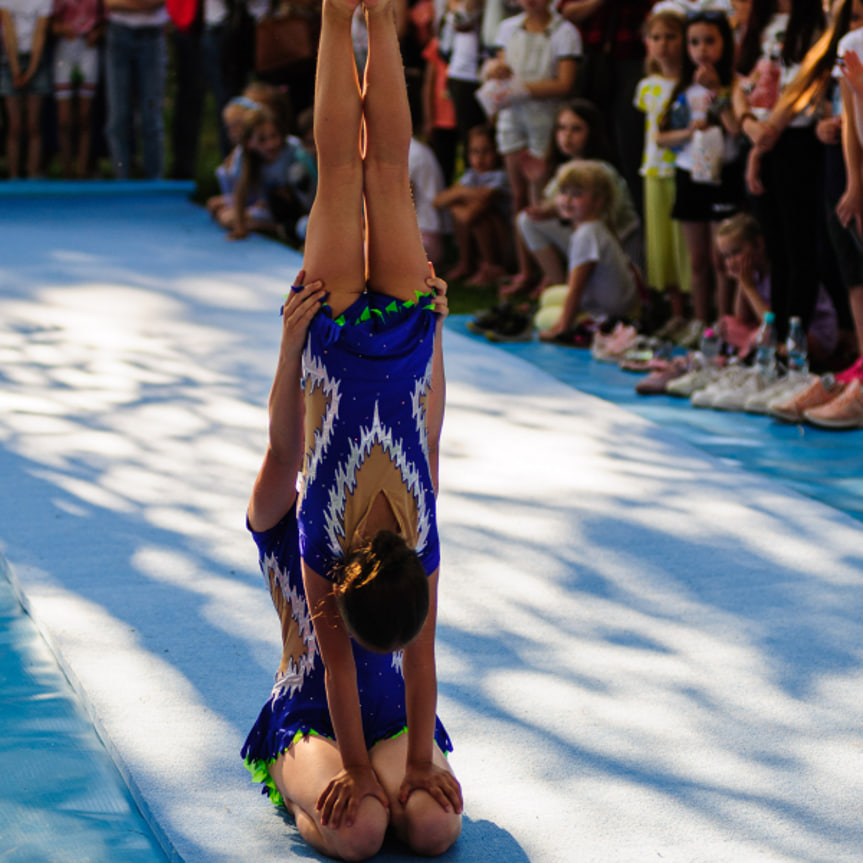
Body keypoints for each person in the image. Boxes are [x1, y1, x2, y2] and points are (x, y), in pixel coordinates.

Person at [240, 0, 463, 858]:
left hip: (333, 345)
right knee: (379, 176)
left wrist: (408, 767)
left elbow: (418, 658)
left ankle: (339, 20)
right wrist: (436, 335)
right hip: (404, 345)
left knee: (346, 175)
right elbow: (430, 439)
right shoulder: (405, 538)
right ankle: (365, 17)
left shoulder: (324, 544)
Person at [733, 0, 825, 342]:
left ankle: (794, 346)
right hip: (758, 137)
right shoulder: (761, 20)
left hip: (795, 140)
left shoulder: (815, 25)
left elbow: (801, 88)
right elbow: (740, 83)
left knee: (798, 247)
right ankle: (776, 343)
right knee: (774, 250)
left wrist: (765, 136)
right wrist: (747, 123)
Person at [656, 7, 742, 349]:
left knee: (722, 258)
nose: (701, 50)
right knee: (698, 259)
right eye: (694, 42)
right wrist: (689, 132)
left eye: (709, 41)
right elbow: (661, 137)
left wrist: (719, 94)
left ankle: (724, 323)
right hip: (690, 173)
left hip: (723, 175)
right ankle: (700, 321)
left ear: (726, 42)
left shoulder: (734, 84)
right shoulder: (682, 88)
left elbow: (737, 131)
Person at [504, 98, 641, 296]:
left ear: (591, 133)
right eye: (561, 128)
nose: (566, 136)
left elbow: (600, 223)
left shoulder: (601, 171)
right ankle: (562, 289)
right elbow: (539, 213)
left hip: (617, 250)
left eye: (576, 129)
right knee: (526, 220)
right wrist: (537, 181)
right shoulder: (565, 169)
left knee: (583, 230)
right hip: (589, 243)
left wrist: (555, 210)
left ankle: (571, 295)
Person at [481, 0, 581, 252]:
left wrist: (521, 89)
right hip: (512, 116)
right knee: (518, 195)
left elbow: (565, 84)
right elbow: (502, 71)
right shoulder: (508, 28)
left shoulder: (565, 31)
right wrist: (496, 70)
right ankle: (524, 267)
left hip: (546, 118)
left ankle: (547, 267)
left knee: (542, 195)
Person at [715, 212, 838, 367]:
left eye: (736, 252)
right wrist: (742, 283)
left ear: (759, 244)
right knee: (727, 324)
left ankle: (746, 356)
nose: (731, 261)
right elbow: (742, 317)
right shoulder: (754, 274)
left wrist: (750, 288)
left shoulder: (778, 272)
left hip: (812, 333)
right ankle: (750, 353)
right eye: (726, 256)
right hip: (776, 333)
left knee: (760, 336)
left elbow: (772, 323)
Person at [634, 1, 691, 333]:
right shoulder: (647, 87)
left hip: (680, 169)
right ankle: (675, 310)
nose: (663, 44)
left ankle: (694, 307)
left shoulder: (690, 85)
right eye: (656, 37)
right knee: (662, 244)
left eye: (670, 36)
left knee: (684, 243)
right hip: (653, 170)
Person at [535, 159, 638, 340]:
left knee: (543, 318)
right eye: (563, 192)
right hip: (619, 303)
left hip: (611, 313)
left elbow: (576, 289)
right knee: (548, 297)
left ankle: (587, 320)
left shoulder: (587, 234)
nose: (567, 200)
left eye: (577, 195)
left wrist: (562, 329)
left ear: (598, 201)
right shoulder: (593, 226)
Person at [219, 104, 317, 243]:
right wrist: (240, 229)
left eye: (274, 136)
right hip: (269, 209)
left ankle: (287, 227)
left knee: (296, 174)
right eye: (262, 140)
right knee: (226, 217)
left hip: (300, 208)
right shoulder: (243, 157)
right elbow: (240, 192)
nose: (271, 144)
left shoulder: (294, 150)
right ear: (249, 143)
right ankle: (277, 227)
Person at [433, 123, 512, 284]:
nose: (480, 158)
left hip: (508, 245)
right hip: (484, 235)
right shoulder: (473, 175)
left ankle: (492, 267)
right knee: (465, 210)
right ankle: (466, 263)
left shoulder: (501, 177)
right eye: (474, 152)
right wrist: (463, 194)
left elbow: (470, 215)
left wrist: (457, 201)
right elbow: (438, 201)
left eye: (486, 151)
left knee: (481, 217)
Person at [103, 0, 169, 179]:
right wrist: (141, 4)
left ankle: (155, 180)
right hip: (119, 34)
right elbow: (110, 3)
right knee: (118, 116)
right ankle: (121, 178)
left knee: (151, 115)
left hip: (152, 36)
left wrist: (129, 4)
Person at [51, 0, 105, 179]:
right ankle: (67, 170)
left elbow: (107, 20)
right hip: (65, 48)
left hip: (88, 49)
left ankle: (82, 170)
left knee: (85, 117)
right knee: (64, 119)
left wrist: (97, 32)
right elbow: (48, 22)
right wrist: (61, 28)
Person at [0, 0, 52, 178]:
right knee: (14, 126)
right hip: (9, 59)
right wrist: (15, 69)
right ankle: (14, 175)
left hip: (36, 60)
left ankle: (33, 174)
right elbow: (8, 32)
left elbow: (40, 33)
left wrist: (30, 71)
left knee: (33, 125)